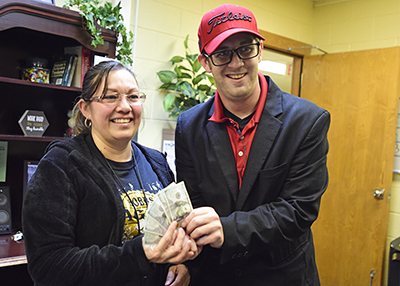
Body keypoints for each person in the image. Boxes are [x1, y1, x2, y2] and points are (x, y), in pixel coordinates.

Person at [177, 4, 330, 286]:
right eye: (222, 53)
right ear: (205, 62)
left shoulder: (307, 121)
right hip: (215, 275)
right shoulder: (189, 126)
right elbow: (192, 204)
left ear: (259, 50)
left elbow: (299, 210)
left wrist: (228, 229)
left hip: (281, 276)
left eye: (245, 48)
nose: (236, 63)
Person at [22, 60, 197, 286]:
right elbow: (49, 267)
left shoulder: (156, 163)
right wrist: (139, 254)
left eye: (133, 97)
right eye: (110, 97)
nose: (124, 106)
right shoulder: (60, 166)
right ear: (86, 109)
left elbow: (176, 232)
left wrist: (180, 264)